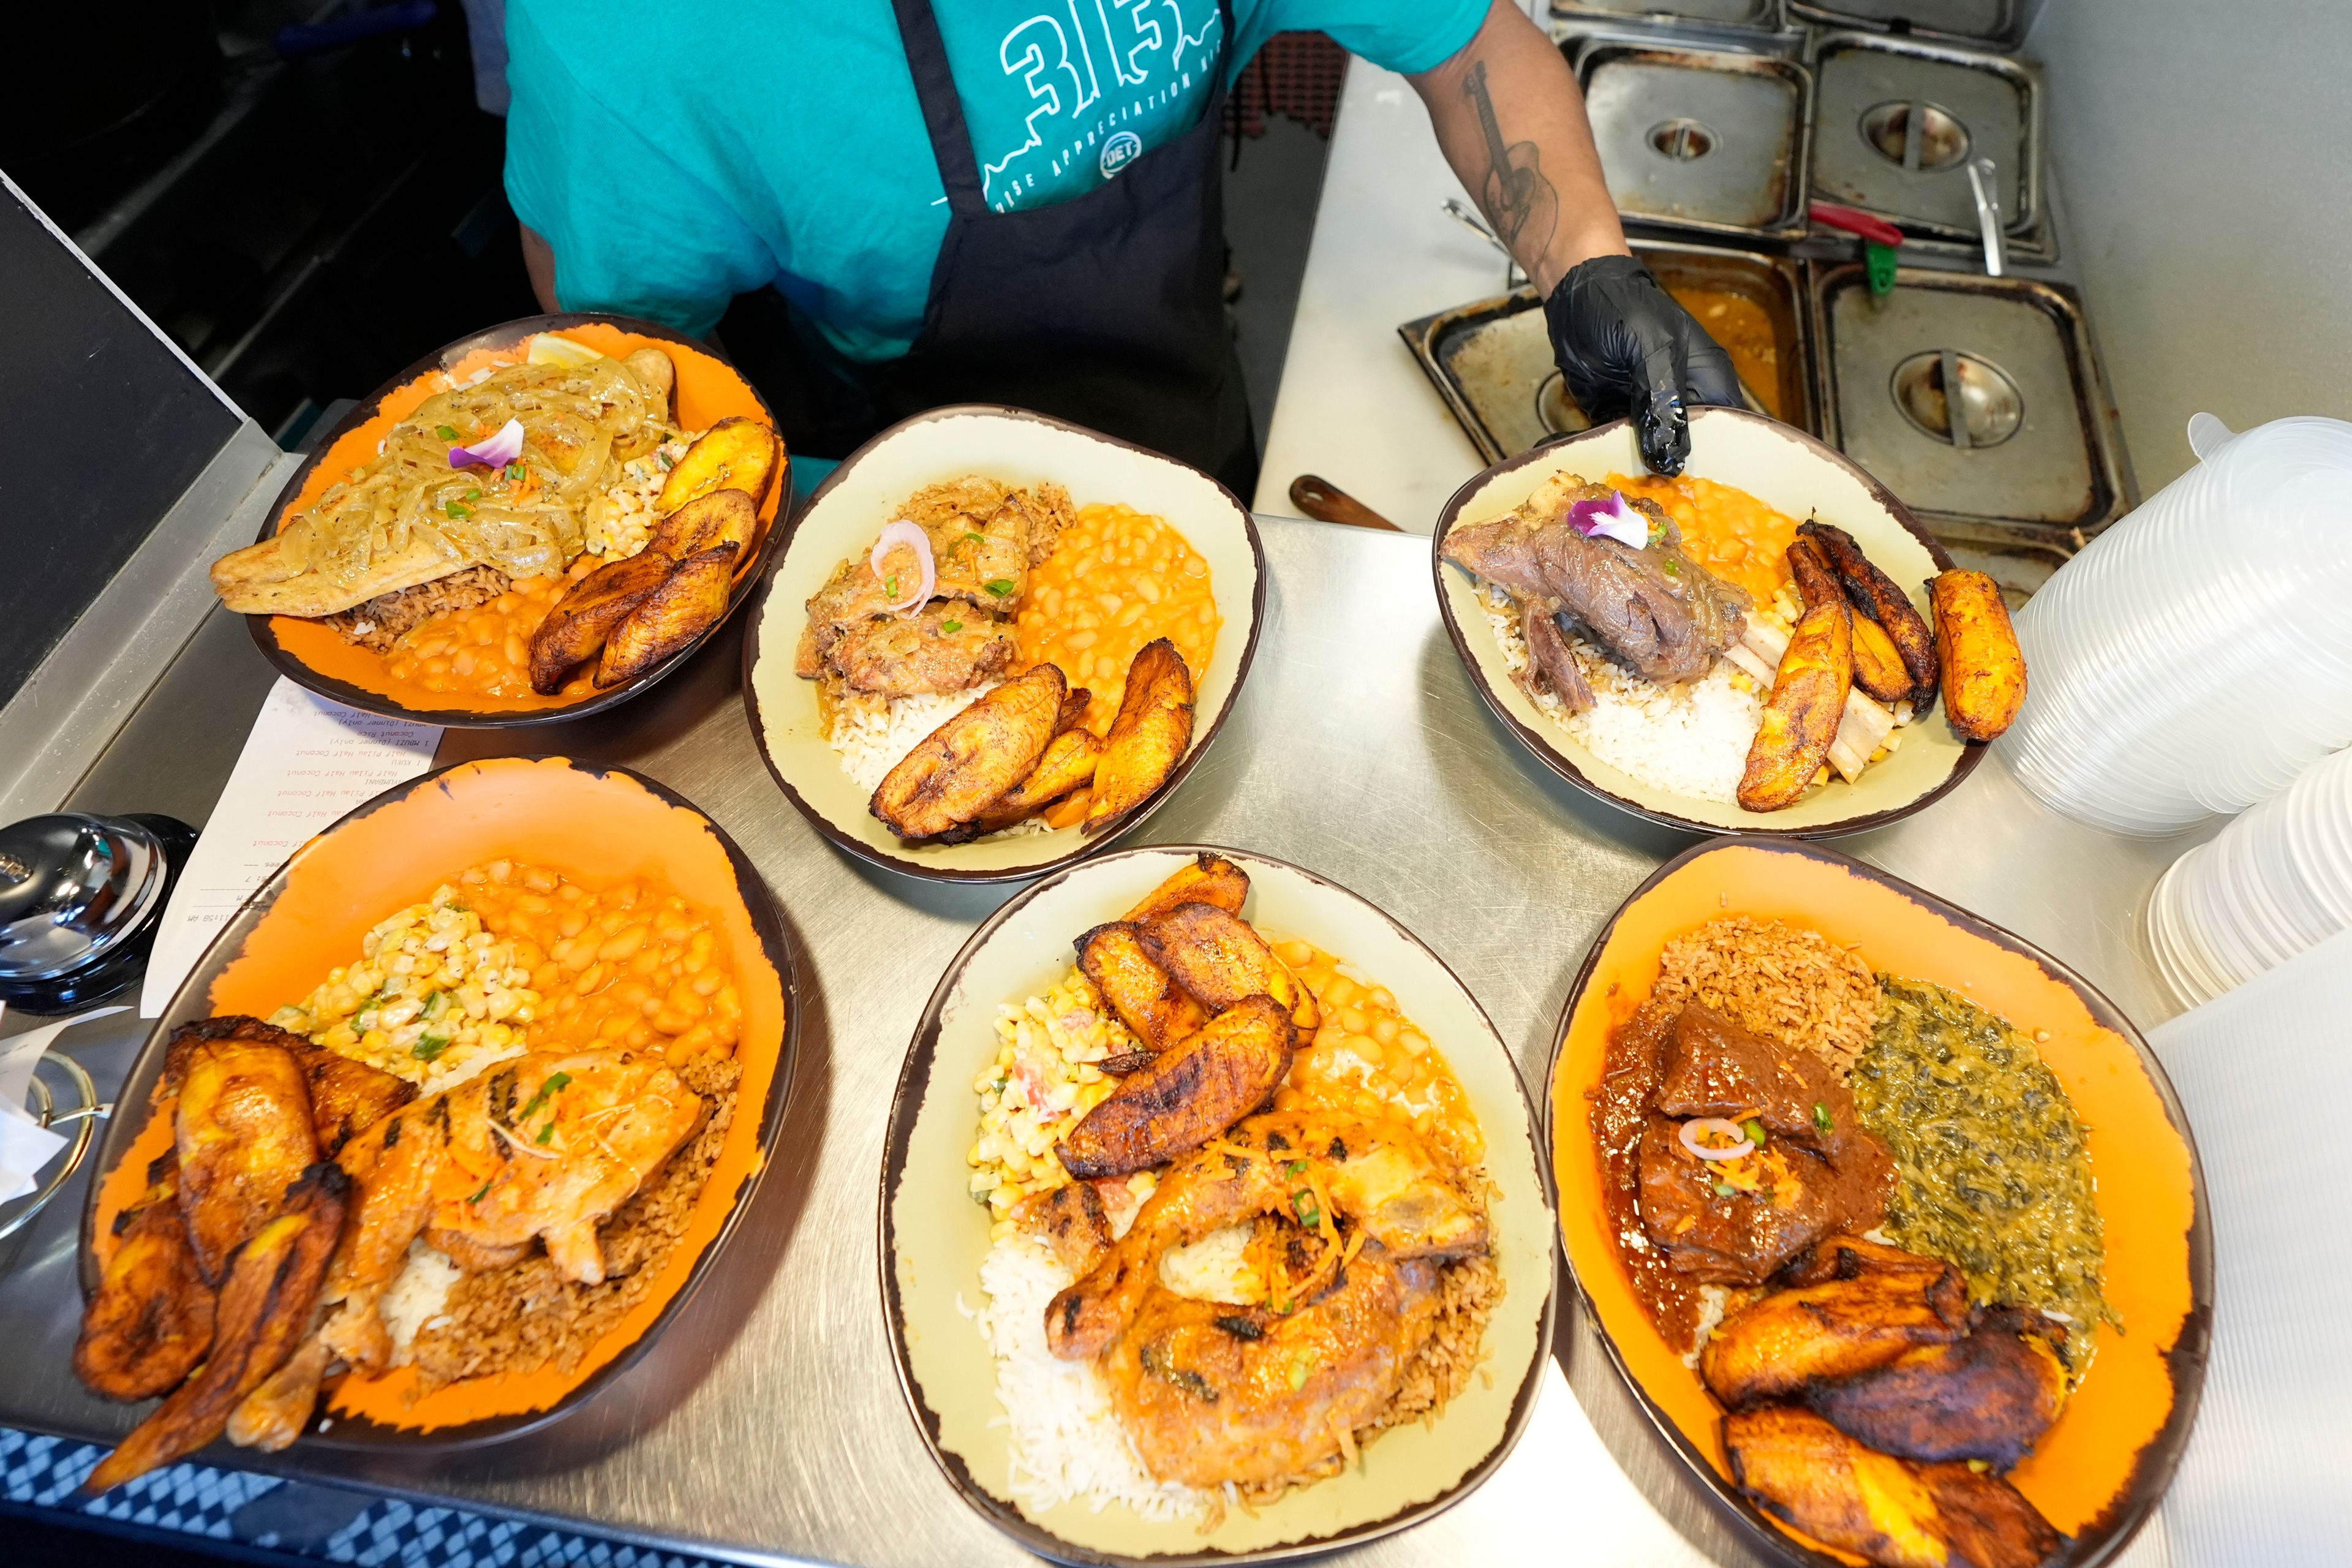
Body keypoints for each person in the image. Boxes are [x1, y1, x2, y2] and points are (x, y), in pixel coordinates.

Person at [503, 0, 1740, 492]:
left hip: (1191, 428)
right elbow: (627, 425)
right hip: (884, 525)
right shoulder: (638, 41)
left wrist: (1587, 263)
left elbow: (1471, 45)